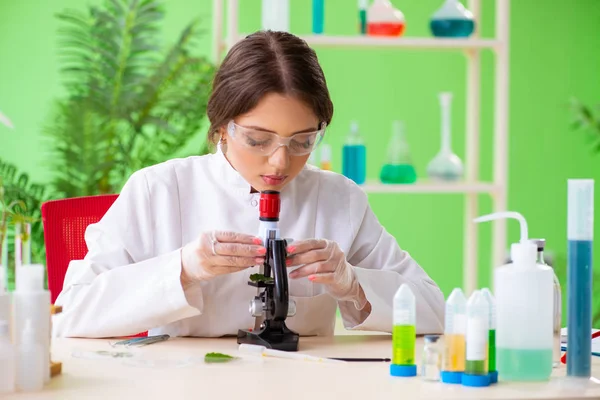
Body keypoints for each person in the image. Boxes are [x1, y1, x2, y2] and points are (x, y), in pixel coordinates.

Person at [52, 31, 445, 338]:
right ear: (222, 127)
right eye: (258, 140)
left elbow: (435, 310)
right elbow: (72, 312)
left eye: (303, 142)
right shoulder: (159, 190)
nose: (280, 161)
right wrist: (182, 270)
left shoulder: (338, 199)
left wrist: (355, 284)